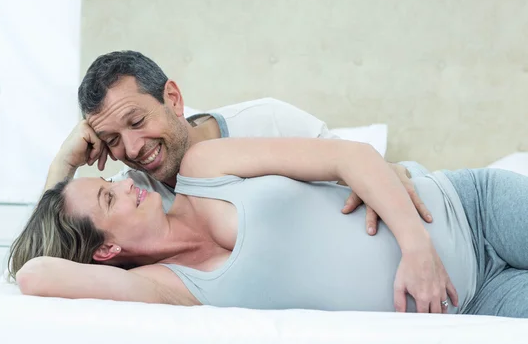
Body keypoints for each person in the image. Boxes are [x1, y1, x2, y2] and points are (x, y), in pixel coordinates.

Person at [8, 135, 528, 318]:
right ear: (105, 251)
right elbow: (34, 274)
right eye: (107, 196)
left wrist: (418, 251)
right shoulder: (167, 291)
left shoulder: (204, 168)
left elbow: (351, 156)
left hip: (469, 207)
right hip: (474, 300)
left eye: (113, 180)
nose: (125, 181)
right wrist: (60, 175)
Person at [47, 50, 433, 238]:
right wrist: (62, 166)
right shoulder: (133, 201)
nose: (130, 150)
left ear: (174, 99)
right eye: (112, 139)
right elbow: (45, 256)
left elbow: (360, 170)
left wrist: (386, 172)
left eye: (137, 122)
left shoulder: (267, 120)